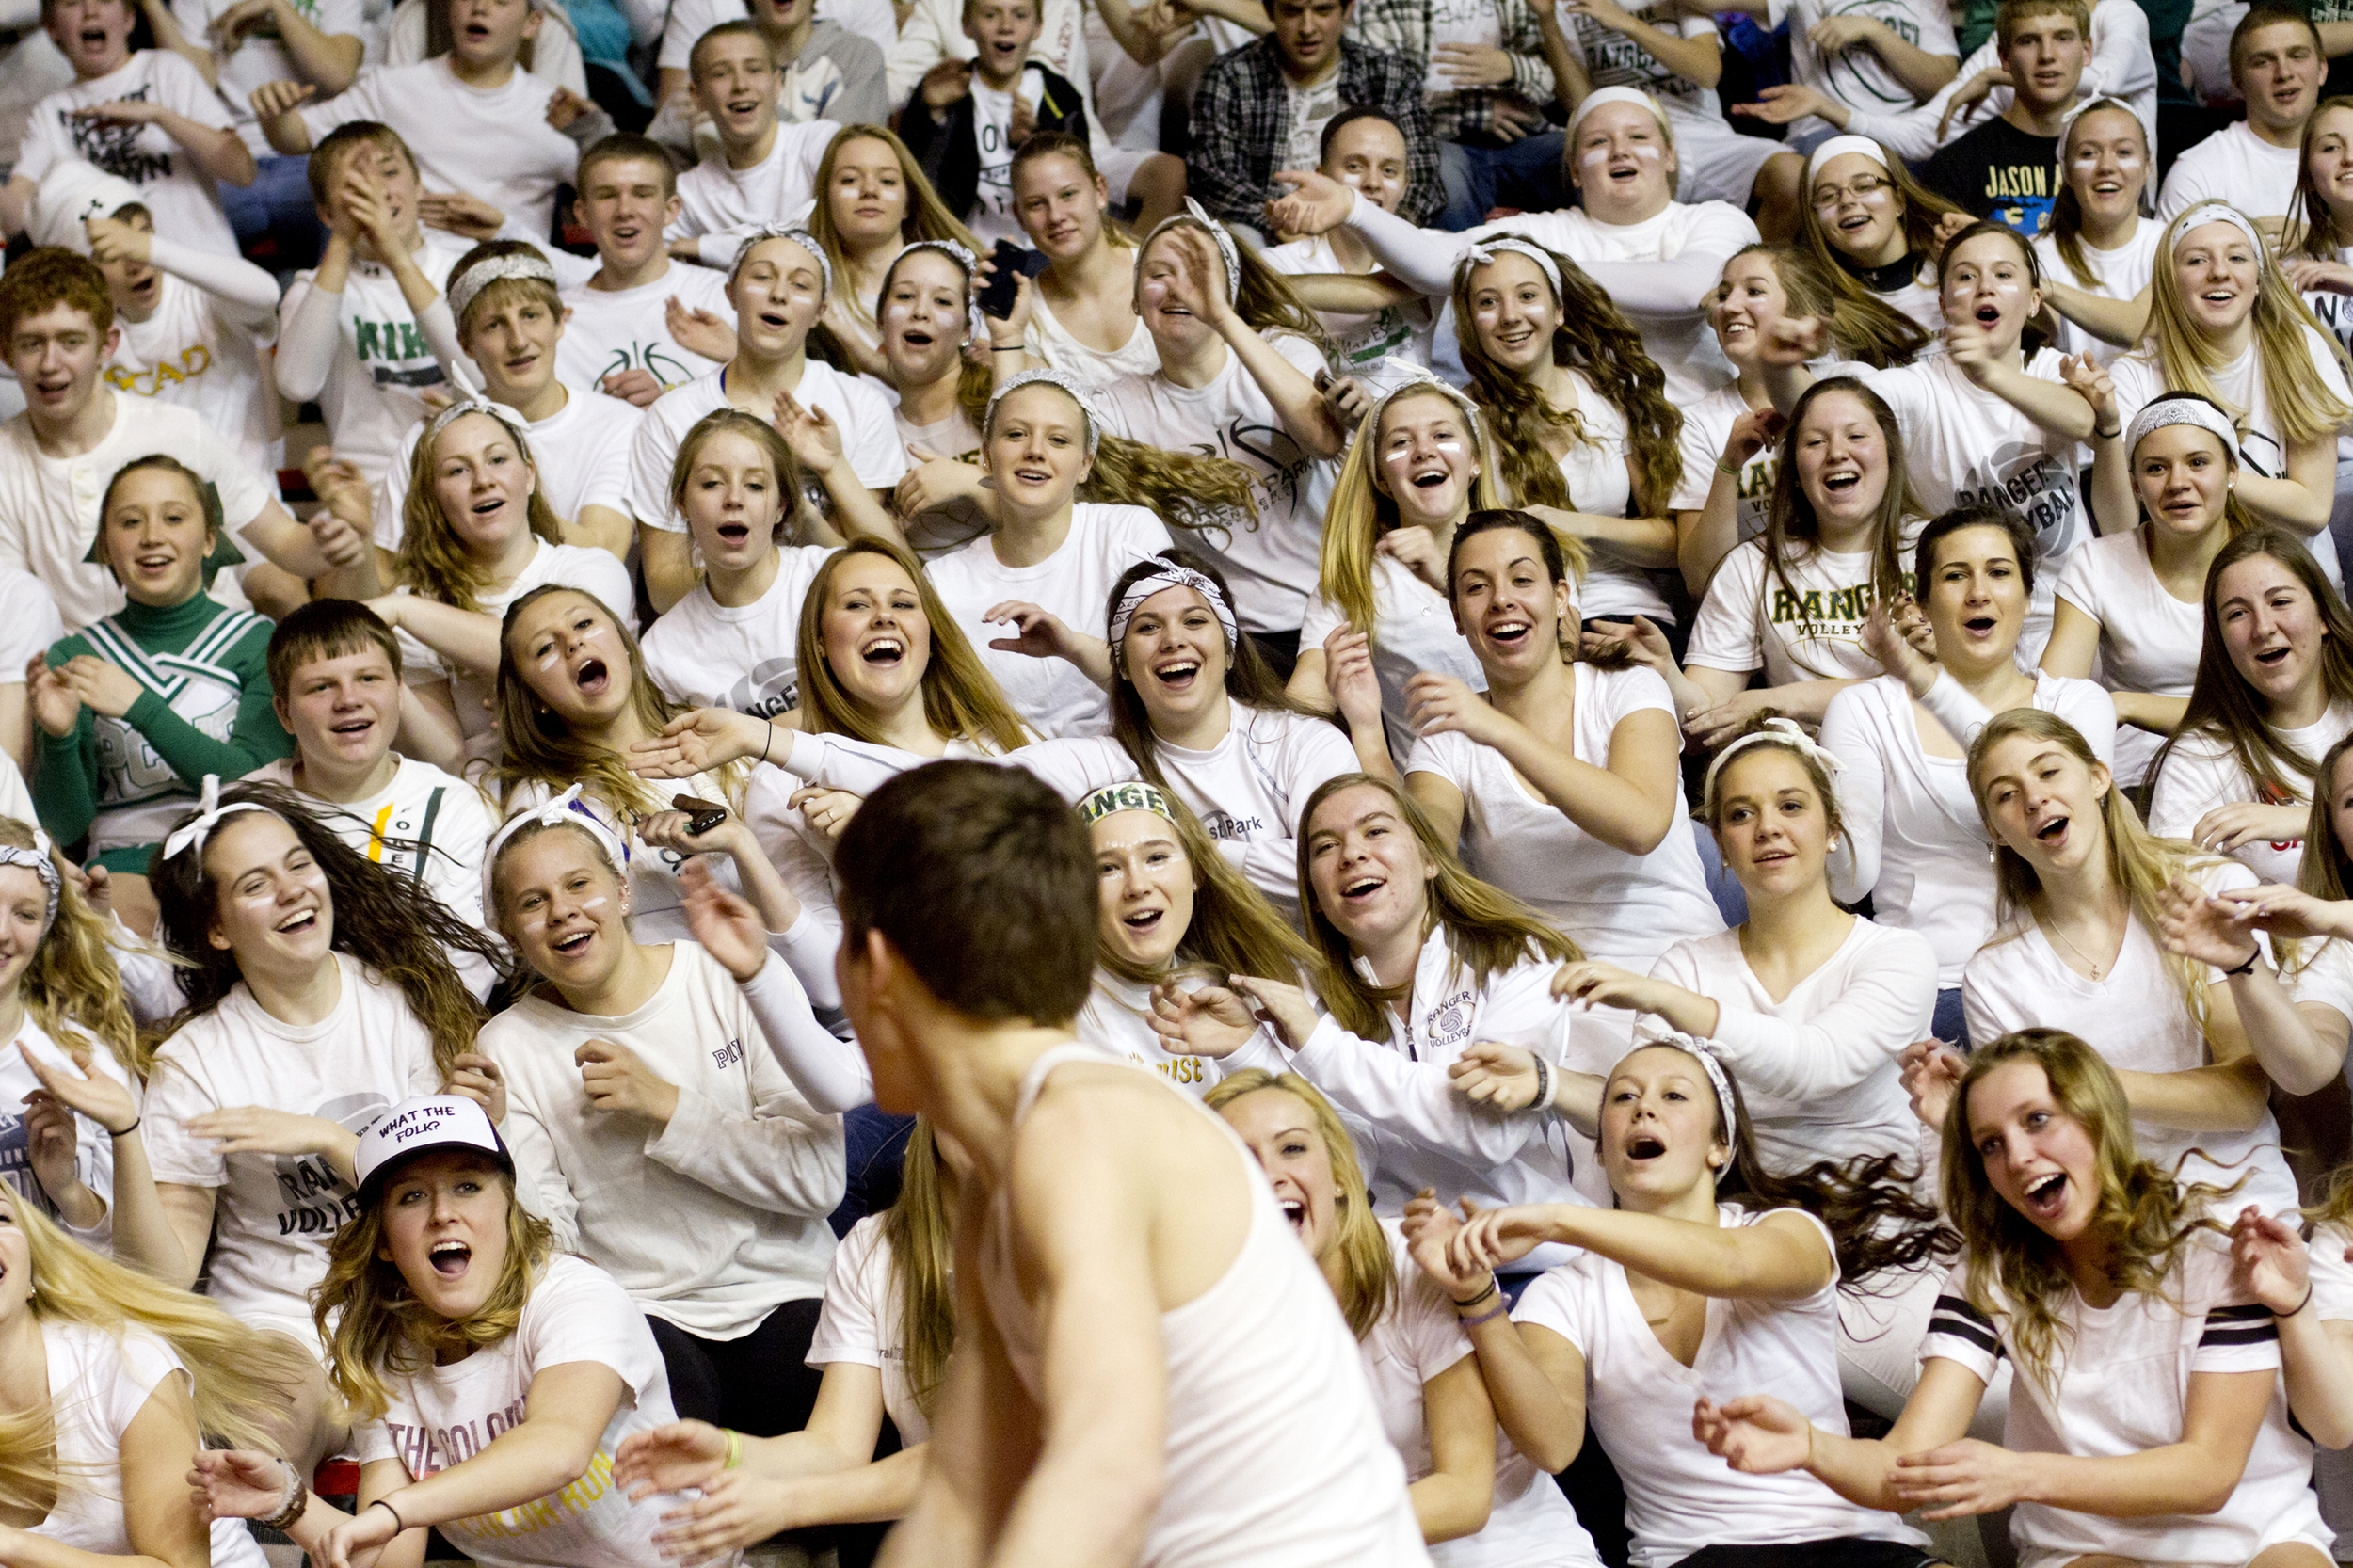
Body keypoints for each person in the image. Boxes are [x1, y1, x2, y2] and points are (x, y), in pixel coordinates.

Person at [825, 758, 1428, 1565]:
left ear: (874, 968)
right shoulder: (991, 1179)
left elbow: (1109, 1467)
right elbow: (964, 1497)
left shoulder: (1080, 1131)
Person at [1697, 1029, 2329, 1568]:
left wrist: (2020, 1473)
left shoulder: (2218, 1257)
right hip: (2090, 1546)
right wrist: (1811, 1446)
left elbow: (2207, 1475)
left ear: (2097, 1117)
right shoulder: (1989, 1280)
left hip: (2255, 1536)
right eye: (1991, 1144)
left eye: (2037, 1120)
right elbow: (1902, 1468)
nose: (2020, 1157)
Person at [1429, 1040, 1949, 1561]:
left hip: (1856, 1545)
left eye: (1674, 1096)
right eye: (1622, 1098)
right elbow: (1554, 1445)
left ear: (1719, 1146)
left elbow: (1730, 1266)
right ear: (1602, 1150)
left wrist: (1557, 1220)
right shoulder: (1564, 1293)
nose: (1644, 1108)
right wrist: (1477, 1299)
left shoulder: (1789, 1231)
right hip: (1692, 1557)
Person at [125, 779, 505, 1468]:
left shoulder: (403, 999)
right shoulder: (195, 1062)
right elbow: (167, 1272)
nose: (293, 889)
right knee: (263, 1441)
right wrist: (125, 1136)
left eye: (299, 864)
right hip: (286, 1324)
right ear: (216, 928)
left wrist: (328, 1138)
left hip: (422, 1303)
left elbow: (434, 1200)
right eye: (256, 884)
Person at [192, 1094, 704, 1568]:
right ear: (385, 1241)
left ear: (508, 1208)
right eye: (411, 1196)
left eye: (468, 1186)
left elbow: (559, 1448)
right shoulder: (386, 1357)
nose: (442, 1214)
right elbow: (388, 1559)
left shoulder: (575, 1297)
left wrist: (399, 1509)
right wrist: (288, 1504)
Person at [479, 803, 846, 1438]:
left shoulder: (726, 976)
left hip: (787, 1291)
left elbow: (819, 1180)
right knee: (651, 1449)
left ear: (622, 891)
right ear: (512, 934)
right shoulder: (507, 1047)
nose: (563, 910)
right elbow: (551, 1248)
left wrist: (668, 1108)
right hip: (642, 1313)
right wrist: (498, 1138)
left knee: (854, 1429)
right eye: (533, 902)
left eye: (578, 884)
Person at [1158, 773, 1587, 1236]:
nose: (1353, 854)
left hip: (1538, 1253)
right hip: (1397, 1264)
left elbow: (1487, 1132)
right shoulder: (1304, 998)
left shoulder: (1518, 956)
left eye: (1376, 830)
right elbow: (1351, 1165)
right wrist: (1247, 1049)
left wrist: (1322, 1046)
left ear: (1428, 858)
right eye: (1325, 847)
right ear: (1316, 898)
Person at [1210, 1069, 1602, 1562]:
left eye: (1292, 1148)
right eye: (1240, 1159)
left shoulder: (1409, 1262)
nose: (1269, 1174)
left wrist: (1282, 1542)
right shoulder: (1217, 1311)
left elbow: (1464, 1496)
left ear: (1337, 1175)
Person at [1952, 708, 2302, 1215]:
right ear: (1996, 831)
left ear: (2098, 777)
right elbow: (2036, 1152)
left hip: (2243, 1205)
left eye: (2049, 771)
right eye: (2006, 795)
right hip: (2105, 1218)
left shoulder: (2205, 889)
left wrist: (2077, 1084)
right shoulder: (1993, 975)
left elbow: (2244, 1095)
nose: (2034, 798)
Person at [605, 1121, 967, 1558]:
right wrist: (730, 1452)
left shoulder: (1054, 1247)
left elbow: (975, 1460)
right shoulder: (874, 1249)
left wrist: (786, 1503)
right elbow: (837, 1447)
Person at [1264, 88, 1759, 405]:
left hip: (1711, 424)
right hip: (1601, 439)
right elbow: (1437, 266)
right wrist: (1352, 206)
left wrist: (1537, 270)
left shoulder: (1716, 219)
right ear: (1572, 170)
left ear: (1671, 156)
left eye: (1637, 137)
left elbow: (1690, 288)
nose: (1621, 151)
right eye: (1597, 143)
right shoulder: (1547, 230)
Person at [1404, 510, 1721, 1004]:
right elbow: (1423, 865)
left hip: (1676, 974)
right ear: (1457, 618)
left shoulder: (1629, 688)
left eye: (1522, 579)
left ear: (1559, 597)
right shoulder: (1448, 734)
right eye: (1476, 588)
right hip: (1542, 997)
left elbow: (1639, 826)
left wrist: (1499, 731)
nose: (1502, 600)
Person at [1826, 507, 2119, 1041]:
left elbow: (2080, 849)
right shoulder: (1861, 709)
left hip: (2058, 972)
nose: (1978, 592)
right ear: (1921, 603)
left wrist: (1925, 680)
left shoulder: (2078, 704)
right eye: (1955, 575)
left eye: (2000, 573)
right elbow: (1850, 880)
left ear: (2029, 599)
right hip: (1926, 985)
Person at [1766, 223, 2099, 657]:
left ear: (2035, 300)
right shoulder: (1920, 389)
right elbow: (1817, 408)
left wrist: (1990, 373)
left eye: (2003, 274)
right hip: (1973, 623)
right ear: (1943, 305)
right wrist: (1776, 365)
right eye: (1965, 276)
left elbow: (2082, 420)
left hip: (2073, 608)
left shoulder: (2053, 369)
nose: (1985, 288)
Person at [0, 246, 370, 632]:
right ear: (6, 353)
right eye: (31, 344)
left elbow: (285, 543)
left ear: (107, 346)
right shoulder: (6, 458)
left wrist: (335, 540)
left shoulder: (176, 430)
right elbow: (17, 611)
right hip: (90, 673)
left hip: (215, 659)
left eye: (71, 341)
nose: (50, 364)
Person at [492, 584, 840, 963]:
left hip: (809, 968)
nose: (573, 643)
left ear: (624, 643)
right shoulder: (545, 802)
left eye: (584, 623)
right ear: (534, 698)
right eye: (545, 648)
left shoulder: (716, 732)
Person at [29, 456, 292, 932]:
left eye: (174, 518)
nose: (152, 535)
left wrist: (141, 707)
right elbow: (62, 828)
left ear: (210, 538)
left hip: (239, 859)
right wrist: (60, 736)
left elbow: (256, 786)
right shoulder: (76, 657)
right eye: (130, 522)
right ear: (106, 546)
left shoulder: (259, 640)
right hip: (122, 874)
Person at [0, 1182, 312, 1568]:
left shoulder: (125, 1361)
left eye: (0, 1217)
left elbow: (180, 1566)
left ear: (31, 1267)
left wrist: (13, 1548)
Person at [1089, 211, 1343, 668]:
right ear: (1134, 299)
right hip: (1242, 639)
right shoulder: (1119, 406)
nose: (1179, 289)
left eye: (1199, 274)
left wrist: (1222, 315)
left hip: (1338, 603)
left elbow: (1323, 439)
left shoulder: (1283, 350)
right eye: (1158, 275)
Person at [628, 229, 907, 613]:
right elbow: (663, 587)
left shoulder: (860, 405)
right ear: (730, 293)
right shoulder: (673, 416)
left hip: (833, 623)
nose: (778, 294)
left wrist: (821, 481)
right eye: (762, 276)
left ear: (820, 312)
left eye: (800, 284)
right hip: (713, 627)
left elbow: (885, 570)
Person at [357, 402, 635, 766]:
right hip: (492, 795)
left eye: (498, 459)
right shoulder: (417, 616)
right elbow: (451, 760)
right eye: (457, 470)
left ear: (530, 475)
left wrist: (402, 608)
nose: (483, 480)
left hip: (605, 769)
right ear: (433, 498)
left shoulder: (590, 570)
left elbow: (536, 653)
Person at [1648, 377, 1921, 744]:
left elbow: (1960, 688)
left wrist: (1785, 700)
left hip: (1916, 756)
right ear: (1793, 472)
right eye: (1815, 442)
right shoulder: (1752, 565)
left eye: (1856, 436)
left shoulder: (1937, 549)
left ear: (1890, 453)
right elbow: (1704, 723)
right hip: (1797, 776)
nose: (1837, 452)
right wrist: (1665, 671)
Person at [2098, 202, 2353, 583]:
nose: (2220, 272)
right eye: (2197, 261)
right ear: (2169, 280)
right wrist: (2106, 428)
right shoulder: (2136, 373)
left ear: (2259, 278)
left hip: (2299, 583)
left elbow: (2312, 508)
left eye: (2237, 257)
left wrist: (2213, 474)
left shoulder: (2299, 349)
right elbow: (2118, 523)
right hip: (2191, 588)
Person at [246, 599, 500, 975]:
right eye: (320, 687)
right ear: (284, 713)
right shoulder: (241, 813)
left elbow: (465, 971)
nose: (348, 700)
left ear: (399, 691)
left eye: (368, 679)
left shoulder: (455, 809)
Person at [921, 371, 1175, 736]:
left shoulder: (1127, 534)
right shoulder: (944, 581)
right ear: (986, 457)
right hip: (1004, 774)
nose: (1035, 451)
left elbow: (1168, 677)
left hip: (1126, 758)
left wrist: (1071, 647)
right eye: (1015, 434)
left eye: (1058, 440)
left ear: (1086, 464)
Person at [1449, 238, 1679, 635]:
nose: (1510, 316)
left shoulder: (1606, 393)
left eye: (1527, 296)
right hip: (1513, 621)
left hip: (1622, 609)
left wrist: (1571, 523)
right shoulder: (1455, 417)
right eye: (1488, 302)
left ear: (1558, 311)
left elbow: (1669, 543)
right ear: (1470, 322)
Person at [1293, 377, 1518, 767]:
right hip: (1428, 791)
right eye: (1400, 443)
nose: (1424, 452)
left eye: (1442, 434)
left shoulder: (1529, 551)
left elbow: (1565, 655)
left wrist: (1447, 577)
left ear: (1476, 461)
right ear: (1381, 476)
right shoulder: (1355, 582)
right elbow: (1302, 707)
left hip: (1537, 773)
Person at [374, 241, 641, 561]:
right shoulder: (428, 440)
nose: (518, 341)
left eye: (530, 315)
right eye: (494, 325)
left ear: (559, 322)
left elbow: (603, 550)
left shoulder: (618, 425)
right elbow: (389, 571)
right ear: (466, 343)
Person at [1673, 246, 1914, 596]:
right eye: (1723, 295)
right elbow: (1700, 579)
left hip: (1867, 588)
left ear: (1799, 310)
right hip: (1764, 599)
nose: (1729, 306)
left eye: (1754, 291)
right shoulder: (1700, 422)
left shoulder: (1854, 382)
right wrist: (1728, 467)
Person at [2044, 393, 2249, 790]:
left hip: (2252, 760)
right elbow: (2057, 699)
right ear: (2136, 485)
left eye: (2198, 462)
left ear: (2232, 472)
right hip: (2138, 779)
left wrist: (2127, 704)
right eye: (2157, 468)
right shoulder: (2096, 564)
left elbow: (2279, 704)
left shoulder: (2270, 563)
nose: (2178, 483)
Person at [255, 0, 584, 245]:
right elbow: (297, 136)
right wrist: (275, 115)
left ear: (532, 24)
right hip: (408, 278)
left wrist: (591, 130)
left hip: (511, 286)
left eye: (500, 0)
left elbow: (605, 189)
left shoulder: (554, 110)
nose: (480, 8)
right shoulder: (395, 87)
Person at [30, 160, 280, 477]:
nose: (136, 262)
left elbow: (266, 293)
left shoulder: (202, 294)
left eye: (142, 236)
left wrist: (152, 249)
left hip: (245, 513)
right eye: (112, 252)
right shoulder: (89, 333)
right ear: (87, 270)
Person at [271, 122, 475, 488]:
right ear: (327, 214)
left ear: (418, 186)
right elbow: (297, 385)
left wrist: (397, 260)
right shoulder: (311, 290)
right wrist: (342, 241)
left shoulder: (468, 270)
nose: (377, 191)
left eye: (389, 172)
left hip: (465, 473)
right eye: (354, 184)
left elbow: (481, 379)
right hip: (370, 491)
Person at [2148, 528, 2353, 888]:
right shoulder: (2201, 755)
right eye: (2238, 614)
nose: (2263, 628)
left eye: (2280, 602)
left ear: (2322, 615)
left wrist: (2310, 822)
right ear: (2221, 641)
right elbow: (2171, 890)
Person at [0, 0, 252, 256]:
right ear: (52, 28)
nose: (90, 11)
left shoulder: (167, 69)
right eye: (72, 3)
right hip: (119, 288)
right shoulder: (50, 111)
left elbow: (242, 171)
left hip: (204, 270)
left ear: (129, 19)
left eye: (106, 0)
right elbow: (17, 218)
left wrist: (159, 116)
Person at [640, 408, 840, 719]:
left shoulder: (830, 579)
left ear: (780, 507)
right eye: (712, 483)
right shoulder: (661, 651)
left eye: (755, 485)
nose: (734, 498)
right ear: (683, 505)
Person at [0, 812, 141, 1236]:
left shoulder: (85, 1062)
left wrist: (68, 1192)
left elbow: (131, 1264)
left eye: (25, 915)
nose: (3, 933)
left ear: (45, 930)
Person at [1186, 0, 1439, 235]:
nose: (1307, 28)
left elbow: (1422, 179)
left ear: (1347, 10)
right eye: (1292, 11)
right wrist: (1282, 224)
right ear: (1270, 12)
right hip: (1271, 230)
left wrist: (1381, 234)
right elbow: (1215, 181)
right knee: (1241, 238)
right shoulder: (1231, 76)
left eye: (1323, 10)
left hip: (1369, 230)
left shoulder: (1387, 76)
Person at [1341, 0, 1564, 233]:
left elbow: (1554, 85)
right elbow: (1388, 98)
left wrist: (1512, 67)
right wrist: (1475, 112)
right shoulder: (1384, 5)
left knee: (1576, 157)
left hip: (1520, 135)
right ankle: (1461, 267)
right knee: (1446, 182)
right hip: (1438, 143)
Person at [560, 133, 740, 408]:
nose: (625, 210)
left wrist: (666, 403)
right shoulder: (559, 321)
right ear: (582, 213)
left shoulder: (723, 297)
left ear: (671, 210)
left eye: (642, 194)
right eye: (607, 195)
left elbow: (772, 407)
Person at [1259, 108, 1436, 384]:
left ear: (1405, 185)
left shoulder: (1430, 251)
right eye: (1354, 166)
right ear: (1321, 177)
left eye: (1389, 171)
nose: (1373, 183)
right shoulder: (1279, 265)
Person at [899, 0, 1090, 246]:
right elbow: (919, 189)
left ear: (1038, 27)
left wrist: (1032, 143)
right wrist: (932, 115)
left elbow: (1078, 180)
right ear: (966, 25)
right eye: (990, 15)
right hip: (965, 249)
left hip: (1046, 249)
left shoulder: (1059, 95)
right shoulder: (946, 91)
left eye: (1020, 15)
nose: (1006, 26)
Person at [803, 124, 983, 379]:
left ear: (908, 203)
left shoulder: (964, 282)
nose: (869, 191)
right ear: (825, 199)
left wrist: (866, 356)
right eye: (850, 179)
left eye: (887, 180)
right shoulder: (809, 296)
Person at [665, 24, 840, 264]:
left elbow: (832, 232)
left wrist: (704, 246)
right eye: (721, 73)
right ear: (697, 95)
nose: (741, 85)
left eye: (754, 69)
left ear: (778, 83)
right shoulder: (690, 192)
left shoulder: (820, 143)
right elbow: (641, 253)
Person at [999, 133, 1159, 387]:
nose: (1056, 216)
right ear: (1019, 217)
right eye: (1037, 204)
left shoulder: (1161, 272)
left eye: (1068, 195)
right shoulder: (1025, 315)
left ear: (1100, 191)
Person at [1914, 0, 2088, 235]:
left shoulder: (2113, 158)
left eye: (2062, 38)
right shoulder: (1957, 165)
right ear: (2004, 57)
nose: (2047, 55)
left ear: (2087, 51)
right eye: (2028, 41)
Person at [2161, 3, 2326, 222]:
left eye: (2297, 56)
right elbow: (2169, 258)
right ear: (2237, 82)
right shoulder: (2199, 172)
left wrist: (2316, 239)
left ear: (2322, 69)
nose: (2284, 73)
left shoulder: (2347, 159)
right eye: (2263, 62)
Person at [1790, 135, 1962, 343]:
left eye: (1864, 186)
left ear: (1899, 200)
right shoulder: (1818, 313)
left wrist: (1985, 248)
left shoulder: (1959, 273)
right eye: (1827, 196)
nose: (1846, 201)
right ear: (1815, 219)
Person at [2031, 98, 2157, 369]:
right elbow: (2045, 333)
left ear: (2148, 166)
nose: (2106, 167)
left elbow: (2139, 328)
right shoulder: (2041, 253)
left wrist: (2049, 289)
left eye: (2123, 152)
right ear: (2066, 171)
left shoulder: (2174, 245)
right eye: (2088, 154)